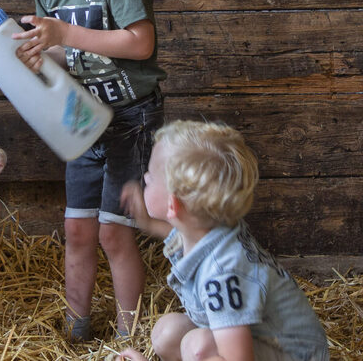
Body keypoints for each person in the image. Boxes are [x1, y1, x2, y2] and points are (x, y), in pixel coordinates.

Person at [0, 0, 167, 341]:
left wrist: (63, 33)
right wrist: (34, 54)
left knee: (114, 232)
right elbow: (70, 58)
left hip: (132, 118)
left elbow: (139, 43)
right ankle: (76, 332)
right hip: (83, 118)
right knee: (77, 230)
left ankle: (128, 338)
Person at [117, 121, 328, 361]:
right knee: (168, 332)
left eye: (151, 178)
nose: (145, 177)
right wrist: (146, 222)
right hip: (269, 343)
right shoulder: (207, 227)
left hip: (294, 355)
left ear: (172, 205)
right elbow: (175, 233)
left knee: (199, 347)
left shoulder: (222, 273)